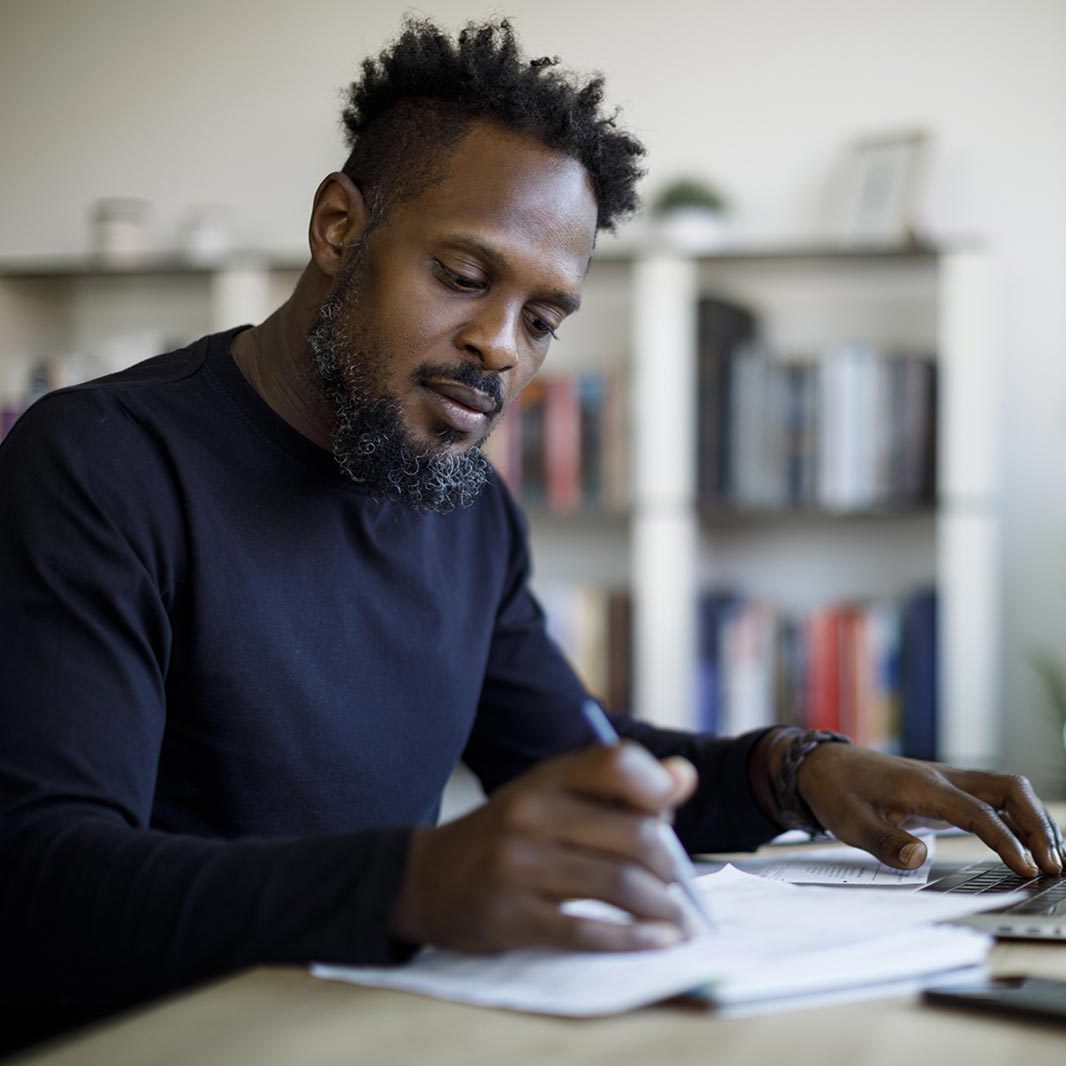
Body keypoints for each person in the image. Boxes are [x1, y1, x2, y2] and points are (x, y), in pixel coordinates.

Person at [0, 17, 1062, 1054]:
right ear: (337, 226)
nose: (498, 347)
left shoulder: (464, 505)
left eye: (544, 318)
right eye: (464, 276)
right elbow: (40, 876)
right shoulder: (100, 464)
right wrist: (418, 882)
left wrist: (799, 772)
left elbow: (579, 763)